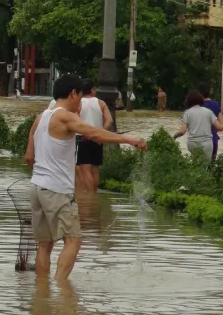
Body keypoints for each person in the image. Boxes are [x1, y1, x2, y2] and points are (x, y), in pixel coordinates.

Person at [25, 75, 147, 280]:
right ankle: (61, 289)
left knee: (44, 244)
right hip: (57, 190)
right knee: (74, 241)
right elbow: (96, 134)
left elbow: (29, 157)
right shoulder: (65, 116)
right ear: (73, 94)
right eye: (80, 97)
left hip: (37, 187)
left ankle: (42, 292)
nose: (80, 104)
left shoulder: (42, 117)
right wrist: (129, 139)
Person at [76, 80, 113, 193]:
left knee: (84, 169)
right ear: (92, 90)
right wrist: (101, 132)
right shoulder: (101, 103)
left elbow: (75, 120)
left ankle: (89, 196)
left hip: (82, 139)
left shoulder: (78, 103)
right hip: (98, 139)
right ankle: (94, 193)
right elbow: (109, 121)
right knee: (95, 169)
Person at [174, 90, 223, 159]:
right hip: (207, 144)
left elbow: (183, 131)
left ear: (189, 101)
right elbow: (218, 127)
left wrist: (174, 136)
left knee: (195, 164)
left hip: (192, 144)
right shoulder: (208, 112)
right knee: (206, 166)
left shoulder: (186, 113)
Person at [199, 83, 223, 161]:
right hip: (213, 139)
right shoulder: (216, 104)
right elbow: (219, 125)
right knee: (211, 167)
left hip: (200, 140)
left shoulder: (198, 106)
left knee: (199, 168)